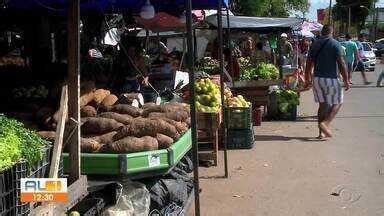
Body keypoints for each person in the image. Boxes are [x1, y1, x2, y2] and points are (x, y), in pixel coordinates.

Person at [305, 25, 350, 139]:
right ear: (331, 31)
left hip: (317, 79)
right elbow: (341, 63)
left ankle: (321, 133)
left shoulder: (314, 44)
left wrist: (307, 79)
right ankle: (326, 123)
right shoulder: (335, 43)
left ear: (322, 32)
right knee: (338, 102)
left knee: (322, 105)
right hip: (331, 78)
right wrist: (346, 79)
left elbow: (308, 63)